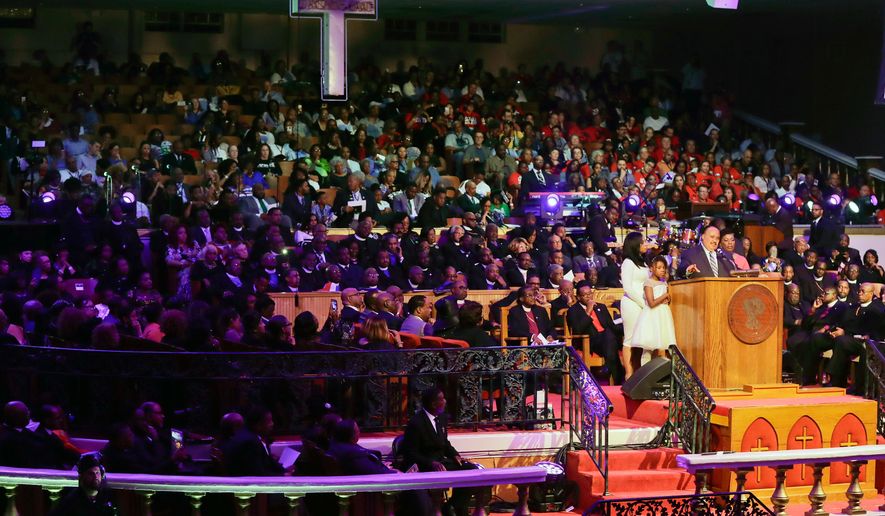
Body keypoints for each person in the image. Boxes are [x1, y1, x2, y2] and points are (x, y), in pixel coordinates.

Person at [399, 388, 480, 516]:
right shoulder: (416, 423)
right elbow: (410, 453)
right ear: (433, 404)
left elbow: (445, 443)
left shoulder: (441, 418)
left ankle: (453, 505)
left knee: (471, 470)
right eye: (442, 399)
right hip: (426, 465)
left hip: (443, 462)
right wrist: (431, 462)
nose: (445, 401)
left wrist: (455, 455)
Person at [566, 285, 625, 384]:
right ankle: (618, 380)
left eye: (590, 294)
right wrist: (588, 311)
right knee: (610, 338)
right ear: (579, 297)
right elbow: (578, 330)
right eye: (585, 295)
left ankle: (608, 366)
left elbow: (611, 325)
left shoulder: (601, 307)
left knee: (609, 335)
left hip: (607, 341)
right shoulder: (573, 310)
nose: (589, 297)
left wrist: (626, 330)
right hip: (590, 342)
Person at [631, 256, 676, 359]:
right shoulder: (648, 283)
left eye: (664, 267)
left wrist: (666, 299)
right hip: (652, 316)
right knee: (649, 347)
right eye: (659, 267)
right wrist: (664, 296)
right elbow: (651, 303)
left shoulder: (663, 282)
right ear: (652, 268)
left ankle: (660, 372)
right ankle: (645, 372)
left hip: (663, 314)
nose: (662, 270)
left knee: (662, 344)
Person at [619, 232, 650, 378]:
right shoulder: (628, 263)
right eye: (642, 242)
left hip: (644, 303)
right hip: (632, 304)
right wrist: (642, 303)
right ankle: (628, 374)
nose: (645, 245)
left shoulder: (642, 262)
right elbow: (628, 288)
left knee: (643, 338)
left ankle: (640, 372)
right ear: (635, 244)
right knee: (630, 338)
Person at [223, 407, 286, 476]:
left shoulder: (249, 435)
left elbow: (268, 461)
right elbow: (258, 474)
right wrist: (283, 475)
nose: (272, 424)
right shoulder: (250, 442)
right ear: (258, 425)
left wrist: (284, 470)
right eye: (269, 421)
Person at [48, 453, 118, 516]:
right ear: (81, 476)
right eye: (91, 473)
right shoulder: (71, 502)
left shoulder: (106, 498)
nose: (96, 477)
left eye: (97, 473)